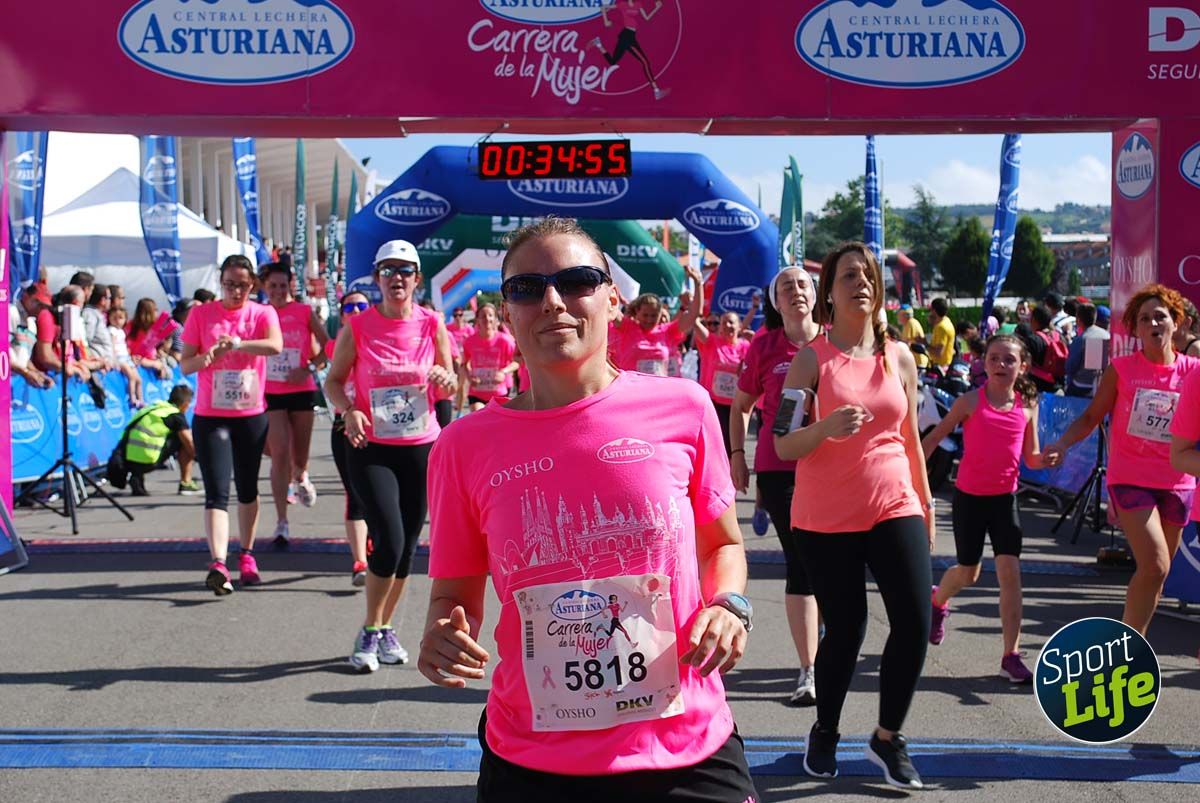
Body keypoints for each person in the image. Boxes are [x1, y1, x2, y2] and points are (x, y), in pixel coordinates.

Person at [420, 217, 757, 802]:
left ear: (612, 296)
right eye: (527, 288)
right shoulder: (464, 446)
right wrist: (444, 635)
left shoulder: (685, 408)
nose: (552, 301)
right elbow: (453, 597)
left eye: (576, 280)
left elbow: (722, 543)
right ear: (508, 308)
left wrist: (731, 606)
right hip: (533, 758)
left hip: (684, 745)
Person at [775, 241, 935, 790]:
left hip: (896, 504)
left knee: (914, 623)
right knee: (847, 630)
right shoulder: (810, 359)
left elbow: (911, 438)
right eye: (848, 276)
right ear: (830, 294)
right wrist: (824, 428)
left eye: (868, 275)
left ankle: (888, 738)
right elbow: (782, 444)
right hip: (825, 517)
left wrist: (927, 503)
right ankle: (825, 730)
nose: (861, 283)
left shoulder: (900, 357)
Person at [324, 240, 457, 672]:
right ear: (377, 277)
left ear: (416, 279)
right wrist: (350, 410)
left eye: (404, 271)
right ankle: (370, 627)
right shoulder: (359, 326)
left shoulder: (432, 323)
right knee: (390, 538)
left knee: (406, 551)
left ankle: (384, 629)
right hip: (371, 447)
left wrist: (444, 378)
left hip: (421, 446)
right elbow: (334, 382)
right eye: (387, 271)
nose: (396, 278)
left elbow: (449, 381)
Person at [1045, 284, 1200, 635]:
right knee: (1155, 564)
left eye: (1160, 316)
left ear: (1177, 323)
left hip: (1177, 481)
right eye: (1144, 319)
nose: (1152, 323)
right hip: (1131, 478)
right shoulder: (1122, 369)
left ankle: (1131, 645)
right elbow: (1091, 417)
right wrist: (1063, 443)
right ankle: (1128, 652)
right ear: (1136, 329)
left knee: (1156, 575)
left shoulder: (1193, 370)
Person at [921, 335, 1059, 683]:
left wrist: (1048, 460)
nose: (1000, 365)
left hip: (1004, 501)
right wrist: (910, 473)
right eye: (994, 358)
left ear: (1022, 367)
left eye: (1009, 360)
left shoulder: (1028, 405)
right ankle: (938, 600)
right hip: (969, 499)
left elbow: (1031, 457)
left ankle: (1010, 655)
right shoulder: (969, 401)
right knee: (969, 573)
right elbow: (936, 437)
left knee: (1010, 574)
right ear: (983, 363)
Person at [730, 266, 822, 707]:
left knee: (828, 560)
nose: (796, 291)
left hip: (831, 467)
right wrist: (737, 457)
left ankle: (821, 627)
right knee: (802, 558)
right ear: (776, 301)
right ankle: (809, 670)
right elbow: (741, 406)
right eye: (787, 287)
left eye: (803, 284)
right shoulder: (764, 346)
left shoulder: (836, 341)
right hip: (779, 466)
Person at [180, 254, 283, 595]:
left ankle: (247, 554)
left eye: (242, 285)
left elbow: (275, 345)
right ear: (220, 284)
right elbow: (186, 366)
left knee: (248, 488)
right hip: (211, 415)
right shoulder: (201, 314)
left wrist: (238, 344)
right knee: (216, 491)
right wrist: (209, 355)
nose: (235, 291)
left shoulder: (262, 313)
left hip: (250, 414)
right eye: (229, 284)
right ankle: (219, 563)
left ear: (252, 285)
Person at [260, 262, 328, 547]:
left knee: (298, 459)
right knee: (279, 454)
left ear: (291, 286)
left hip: (301, 389)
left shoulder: (303, 312)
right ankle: (281, 522)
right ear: (264, 287)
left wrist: (309, 368)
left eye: (282, 286)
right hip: (270, 391)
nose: (278, 291)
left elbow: (328, 346)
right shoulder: (259, 313)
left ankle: (301, 476)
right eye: (272, 286)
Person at [326, 291, 372, 587]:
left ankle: (373, 540)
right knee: (354, 494)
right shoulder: (335, 344)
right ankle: (360, 561)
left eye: (362, 306)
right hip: (344, 424)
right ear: (341, 314)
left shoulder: (378, 340)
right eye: (349, 307)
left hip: (378, 427)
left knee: (377, 496)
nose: (355, 310)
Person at [108, 384, 198, 497]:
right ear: (185, 404)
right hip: (148, 459)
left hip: (126, 460)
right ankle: (186, 482)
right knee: (182, 439)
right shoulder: (176, 415)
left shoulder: (153, 407)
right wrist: (201, 460)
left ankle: (137, 477)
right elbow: (189, 443)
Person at [611, 265, 702, 376]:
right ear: (637, 312)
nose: (649, 319)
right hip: (632, 390)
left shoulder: (668, 331)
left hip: (659, 390)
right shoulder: (627, 327)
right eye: (645, 315)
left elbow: (693, 314)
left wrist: (698, 283)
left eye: (653, 315)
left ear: (660, 314)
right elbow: (610, 308)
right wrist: (610, 291)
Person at [693, 310, 750, 454]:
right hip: (714, 403)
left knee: (733, 448)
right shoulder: (711, 342)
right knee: (715, 445)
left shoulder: (746, 346)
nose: (727, 325)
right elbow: (693, 322)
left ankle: (731, 474)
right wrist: (690, 306)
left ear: (739, 326)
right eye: (723, 322)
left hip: (736, 404)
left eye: (731, 322)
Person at [592, 0, 670, 100]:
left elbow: (646, 18)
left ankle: (598, 44)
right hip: (627, 36)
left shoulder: (638, 4)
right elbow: (603, 7)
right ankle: (656, 91)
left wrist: (657, 8)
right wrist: (605, 20)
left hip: (629, 36)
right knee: (645, 62)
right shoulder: (622, 5)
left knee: (613, 61)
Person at [460, 303, 518, 412]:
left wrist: (503, 372)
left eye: (490, 315)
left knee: (497, 426)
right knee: (480, 417)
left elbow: (517, 362)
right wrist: (469, 378)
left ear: (496, 319)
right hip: (477, 391)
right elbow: (464, 364)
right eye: (483, 316)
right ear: (477, 320)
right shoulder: (469, 341)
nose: (487, 318)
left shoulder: (505, 340)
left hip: (499, 392)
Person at [1064, 303, 1110, 398]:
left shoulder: (1081, 339)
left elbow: (1070, 367)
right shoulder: (1106, 335)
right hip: (1101, 385)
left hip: (1081, 387)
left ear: (1078, 320)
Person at [127, 298, 174, 380]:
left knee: (171, 367)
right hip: (142, 360)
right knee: (168, 373)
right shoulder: (133, 326)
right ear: (149, 312)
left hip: (149, 358)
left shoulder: (131, 325)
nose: (157, 313)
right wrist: (154, 363)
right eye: (155, 310)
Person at [927, 297, 955, 371]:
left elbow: (938, 353)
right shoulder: (947, 321)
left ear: (934, 311)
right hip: (946, 365)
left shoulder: (941, 327)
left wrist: (924, 343)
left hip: (940, 367)